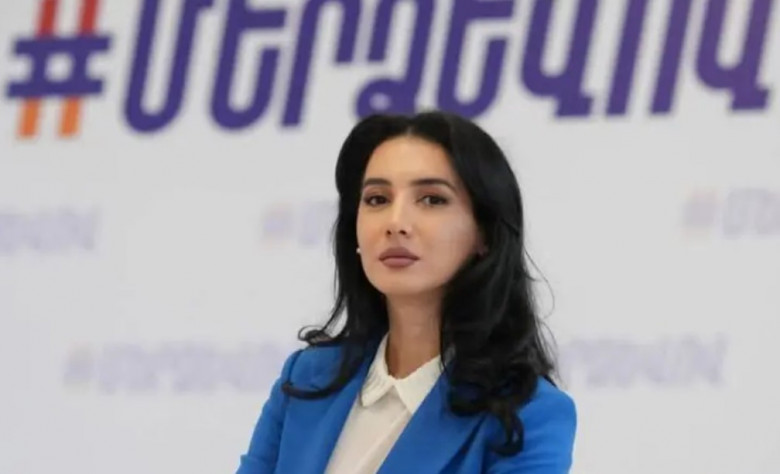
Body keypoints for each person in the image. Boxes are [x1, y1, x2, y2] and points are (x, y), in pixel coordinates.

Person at [236, 111, 576, 473]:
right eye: (377, 199)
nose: (396, 222)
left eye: (431, 199)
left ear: (485, 232)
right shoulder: (307, 377)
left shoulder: (529, 414)